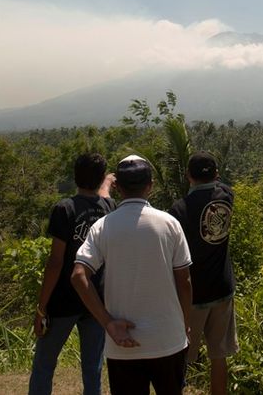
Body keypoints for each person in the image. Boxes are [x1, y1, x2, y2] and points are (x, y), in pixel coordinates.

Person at [71, 154, 192, 395]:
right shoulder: (169, 224)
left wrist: (107, 323)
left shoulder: (103, 226)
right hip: (167, 338)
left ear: (117, 187)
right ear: (151, 186)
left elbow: (78, 276)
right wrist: (185, 324)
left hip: (122, 343)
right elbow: (185, 281)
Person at [29, 153, 116, 395]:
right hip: (95, 299)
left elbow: (56, 261)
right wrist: (107, 183)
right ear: (100, 178)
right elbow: (105, 196)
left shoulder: (64, 209)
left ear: (74, 176)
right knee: (92, 367)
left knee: (45, 364)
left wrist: (41, 306)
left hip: (63, 300)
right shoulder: (108, 208)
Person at [169, 151, 238, 395]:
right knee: (218, 356)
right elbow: (221, 185)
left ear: (189, 176)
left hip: (193, 294)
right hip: (222, 288)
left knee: (180, 357)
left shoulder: (179, 209)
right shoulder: (227, 196)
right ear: (216, 174)